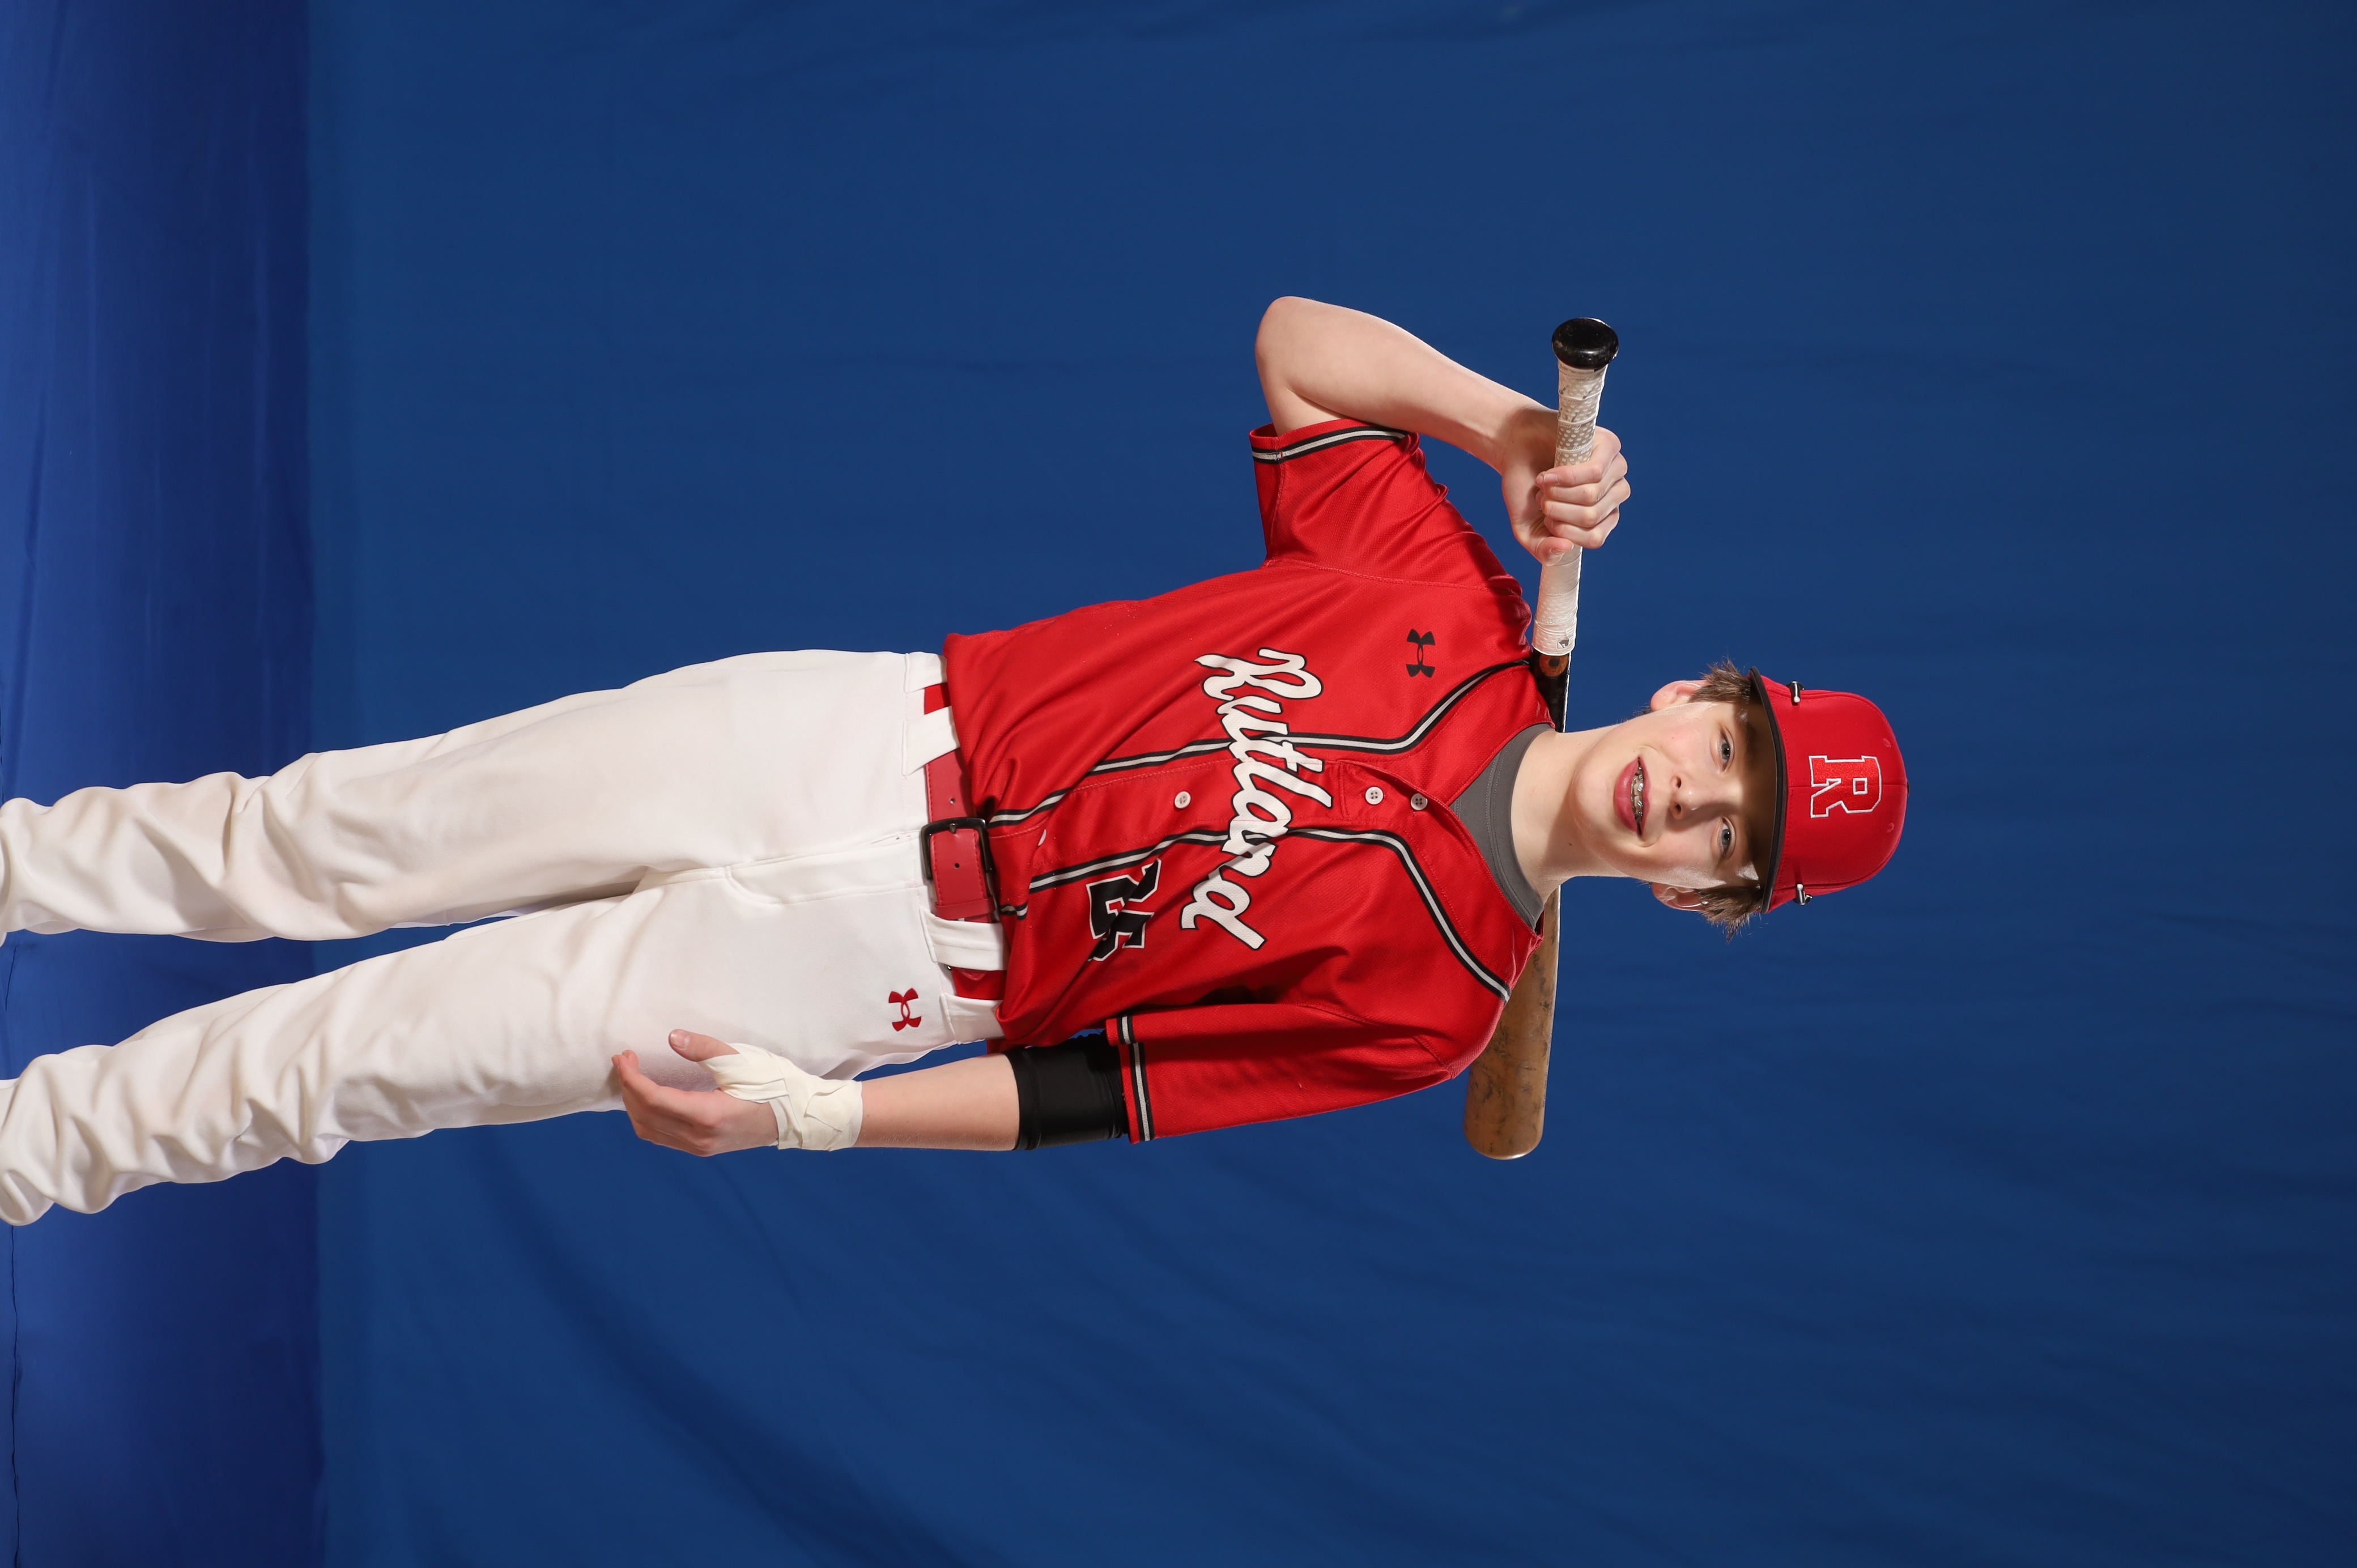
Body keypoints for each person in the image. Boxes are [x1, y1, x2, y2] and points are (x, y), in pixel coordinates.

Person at [0, 299, 1906, 1224]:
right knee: (316, 838)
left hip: (881, 978)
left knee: (335, 1072)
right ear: (1695, 694)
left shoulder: (1437, 1005)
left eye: (1730, 837)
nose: (1697, 794)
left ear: (1706, 899)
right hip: (848, 730)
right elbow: (1297, 347)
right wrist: (1503, 431)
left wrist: (823, 1120)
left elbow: (1100, 1095)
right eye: (1728, 747)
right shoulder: (1447, 599)